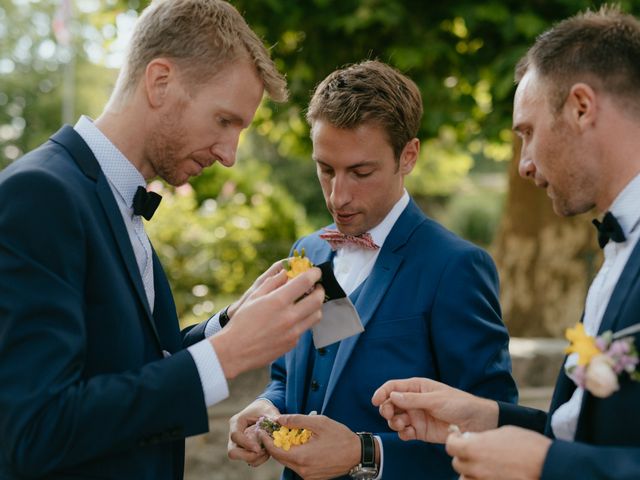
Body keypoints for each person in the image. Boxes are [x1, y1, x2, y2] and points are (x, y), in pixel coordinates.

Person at [0, 1, 326, 478]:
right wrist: (228, 354)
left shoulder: (111, 196)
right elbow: (34, 429)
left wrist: (229, 323)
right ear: (160, 82)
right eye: (223, 121)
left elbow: (125, 360)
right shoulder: (41, 195)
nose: (230, 154)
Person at [373, 5, 640, 480]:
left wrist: (544, 465)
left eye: (528, 133)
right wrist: (485, 416)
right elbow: (584, 431)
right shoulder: (617, 253)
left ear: (582, 107)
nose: (524, 164)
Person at [227, 60, 517, 479]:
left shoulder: (456, 267)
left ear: (409, 156)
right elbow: (296, 377)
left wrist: (365, 454)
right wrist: (267, 407)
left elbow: (490, 432)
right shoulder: (308, 252)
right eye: (325, 169)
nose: (337, 196)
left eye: (360, 172)